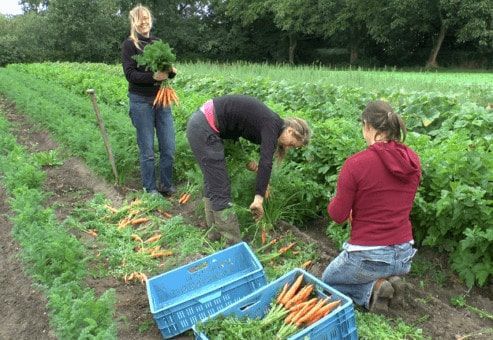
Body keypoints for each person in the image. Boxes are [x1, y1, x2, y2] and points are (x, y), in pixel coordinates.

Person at [322, 100, 421, 313]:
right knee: (365, 269)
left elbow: (337, 215)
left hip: (369, 258)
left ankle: (374, 288)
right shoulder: (413, 159)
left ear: (367, 126)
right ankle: (385, 284)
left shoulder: (356, 163)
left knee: (328, 281)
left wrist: (338, 202)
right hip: (404, 255)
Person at [186, 94, 311, 244]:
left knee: (213, 183)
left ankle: (214, 235)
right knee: (220, 188)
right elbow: (266, 162)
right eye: (292, 144)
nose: (287, 147)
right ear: (290, 131)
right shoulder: (272, 125)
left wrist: (247, 162)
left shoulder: (270, 122)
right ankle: (232, 244)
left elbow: (233, 132)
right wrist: (258, 198)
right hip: (204, 128)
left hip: (202, 125)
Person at [122, 5, 176, 196]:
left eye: (146, 18)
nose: (144, 22)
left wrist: (170, 72)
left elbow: (164, 71)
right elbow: (130, 74)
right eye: (140, 19)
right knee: (147, 150)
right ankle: (150, 189)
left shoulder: (157, 42)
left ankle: (167, 185)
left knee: (168, 147)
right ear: (133, 22)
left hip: (162, 99)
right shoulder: (129, 45)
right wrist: (154, 77)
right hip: (140, 101)